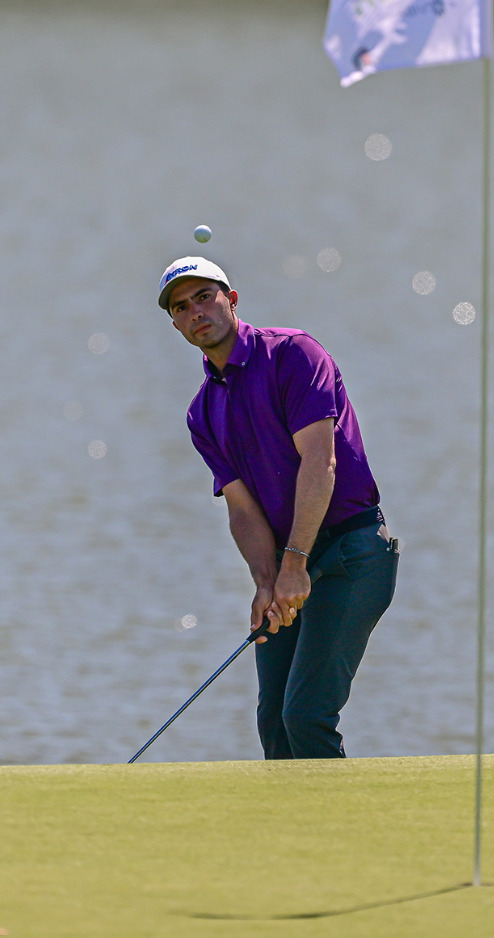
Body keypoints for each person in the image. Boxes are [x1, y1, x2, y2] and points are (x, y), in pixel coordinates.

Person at [158, 255, 398, 759]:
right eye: (181, 307)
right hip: (292, 563)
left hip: (352, 552)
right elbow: (243, 510)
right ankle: (293, 837)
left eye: (205, 296)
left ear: (232, 299)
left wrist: (293, 565)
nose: (196, 311)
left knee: (306, 714)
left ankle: (346, 835)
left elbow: (320, 463)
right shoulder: (203, 410)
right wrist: (267, 584)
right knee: (274, 723)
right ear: (176, 324)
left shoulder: (293, 355)